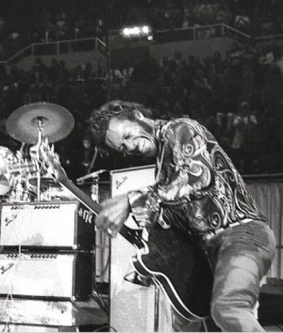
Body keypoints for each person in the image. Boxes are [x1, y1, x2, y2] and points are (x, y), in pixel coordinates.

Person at [89, 100, 276, 332]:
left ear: (138, 116)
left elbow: (199, 177)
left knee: (229, 308)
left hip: (242, 234)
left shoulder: (181, 128)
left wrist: (133, 198)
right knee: (185, 322)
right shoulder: (163, 166)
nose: (130, 146)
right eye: (123, 148)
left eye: (128, 135)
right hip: (207, 252)